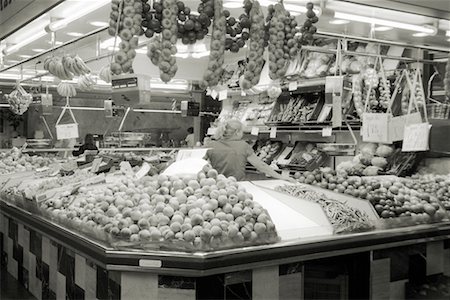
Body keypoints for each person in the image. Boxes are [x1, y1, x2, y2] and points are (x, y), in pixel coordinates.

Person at [205, 119, 295, 182]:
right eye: (242, 132)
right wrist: (280, 177)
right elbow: (261, 165)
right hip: (237, 186)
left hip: (217, 186)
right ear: (237, 132)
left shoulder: (211, 145)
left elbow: (199, 164)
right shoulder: (243, 146)